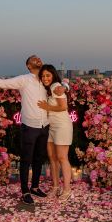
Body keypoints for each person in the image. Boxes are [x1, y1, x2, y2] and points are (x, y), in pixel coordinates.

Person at [0, 56, 65, 205]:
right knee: (26, 160)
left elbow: (62, 85)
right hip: (29, 126)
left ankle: (35, 186)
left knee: (38, 159)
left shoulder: (46, 79)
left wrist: (65, 87)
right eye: (34, 59)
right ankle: (25, 191)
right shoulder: (24, 79)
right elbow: (4, 84)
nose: (38, 59)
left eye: (39, 58)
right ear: (28, 66)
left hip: (45, 126)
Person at [36, 64, 73, 201]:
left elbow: (63, 107)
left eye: (48, 75)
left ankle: (67, 189)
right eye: (43, 75)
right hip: (50, 126)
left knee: (62, 157)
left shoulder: (55, 86)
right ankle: (56, 187)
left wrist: (47, 107)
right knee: (52, 158)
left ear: (53, 76)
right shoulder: (49, 87)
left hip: (62, 126)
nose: (45, 78)